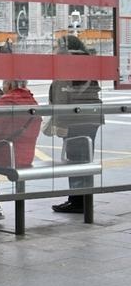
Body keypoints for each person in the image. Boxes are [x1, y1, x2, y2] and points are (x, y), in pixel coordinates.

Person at [46, 34, 104, 213]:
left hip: (75, 118)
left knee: (75, 159)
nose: (55, 49)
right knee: (85, 158)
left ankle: (77, 202)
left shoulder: (68, 63)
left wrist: (58, 120)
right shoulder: (87, 61)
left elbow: (62, 94)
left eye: (56, 46)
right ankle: (82, 199)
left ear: (64, 47)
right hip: (91, 117)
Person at [0, 80, 42, 222]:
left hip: (6, 155)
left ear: (11, 85)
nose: (2, 86)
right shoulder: (31, 100)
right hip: (25, 156)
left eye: (5, 83)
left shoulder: (6, 101)